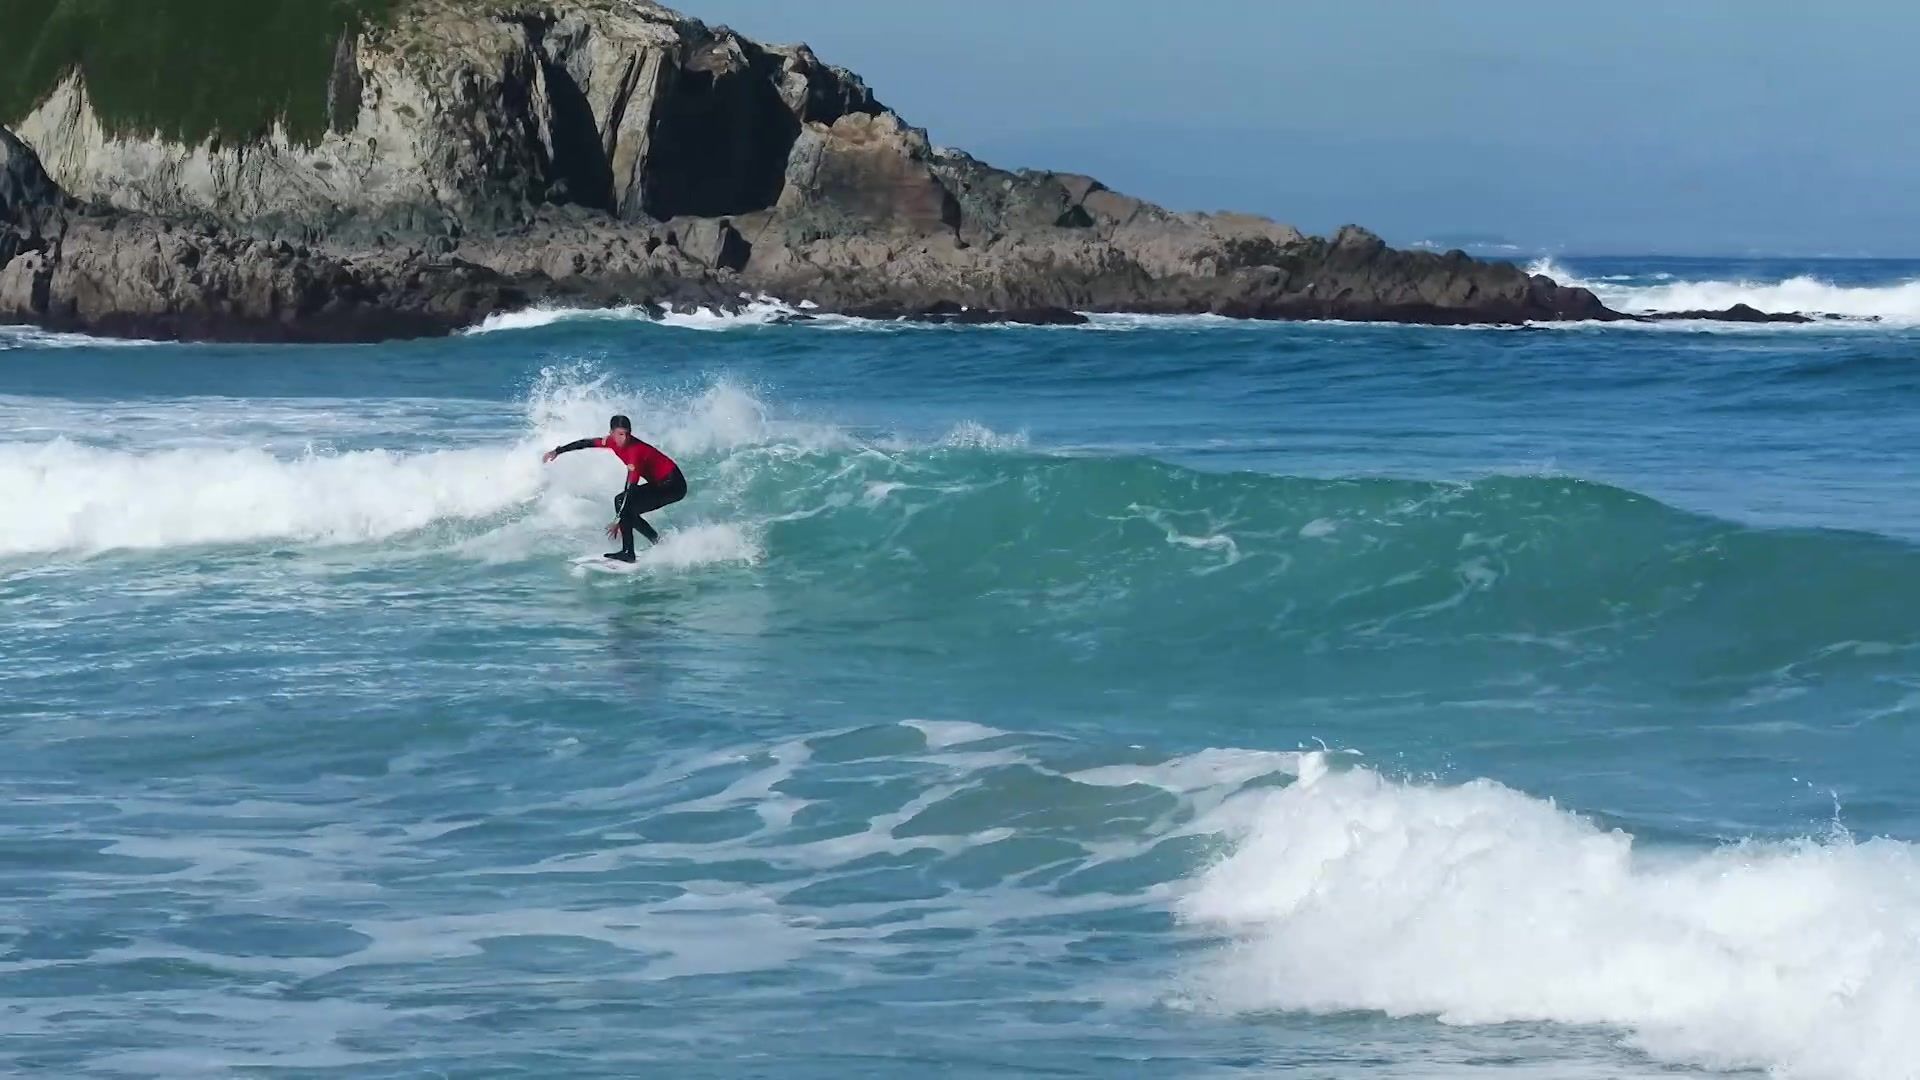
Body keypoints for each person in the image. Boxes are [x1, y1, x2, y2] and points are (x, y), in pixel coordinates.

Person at [543, 414, 687, 562]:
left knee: (622, 503)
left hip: (673, 485)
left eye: (627, 434)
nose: (624, 438)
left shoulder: (634, 451)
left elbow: (631, 488)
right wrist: (558, 451)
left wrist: (618, 519)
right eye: (620, 434)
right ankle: (657, 542)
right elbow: (586, 443)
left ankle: (629, 552)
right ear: (611, 433)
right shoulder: (610, 441)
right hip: (660, 482)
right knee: (626, 509)